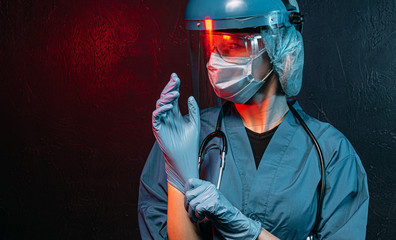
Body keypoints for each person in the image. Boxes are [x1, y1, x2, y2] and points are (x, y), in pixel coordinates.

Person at [138, 0, 369, 239]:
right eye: (212, 47)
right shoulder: (184, 137)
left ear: (279, 48)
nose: (214, 61)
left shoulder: (330, 153)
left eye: (232, 46)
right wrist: (177, 173)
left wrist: (250, 232)